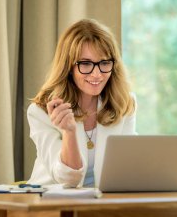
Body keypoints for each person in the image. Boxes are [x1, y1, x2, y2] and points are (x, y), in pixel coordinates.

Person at [27, 19, 137, 188]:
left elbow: (128, 166)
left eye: (104, 63)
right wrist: (69, 132)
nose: (96, 74)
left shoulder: (124, 103)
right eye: (85, 64)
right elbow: (67, 180)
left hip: (102, 202)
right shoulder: (40, 111)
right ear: (69, 67)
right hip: (51, 202)